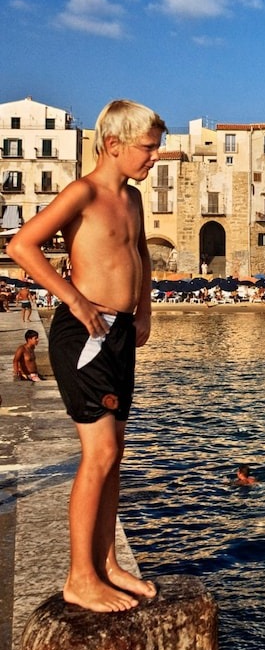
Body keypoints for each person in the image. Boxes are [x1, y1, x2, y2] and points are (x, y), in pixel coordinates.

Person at [7, 99, 166, 613]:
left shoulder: (135, 199)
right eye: (148, 147)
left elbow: (138, 251)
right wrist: (72, 297)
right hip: (85, 334)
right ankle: (80, 577)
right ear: (114, 145)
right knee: (98, 454)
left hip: (119, 333)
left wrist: (143, 311)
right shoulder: (83, 192)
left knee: (115, 454)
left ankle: (107, 564)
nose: (154, 156)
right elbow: (22, 245)